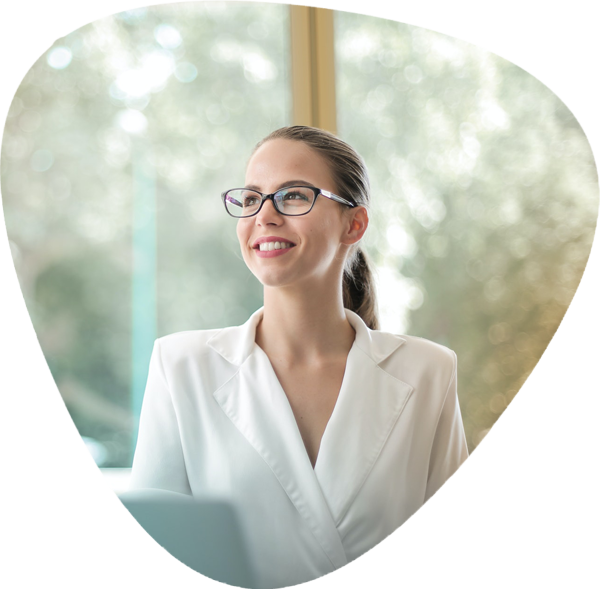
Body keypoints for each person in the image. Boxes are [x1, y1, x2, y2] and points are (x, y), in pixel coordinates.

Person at [129, 125, 469, 588]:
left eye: (292, 196)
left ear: (354, 224)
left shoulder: (428, 371)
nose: (264, 216)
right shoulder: (180, 366)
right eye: (250, 199)